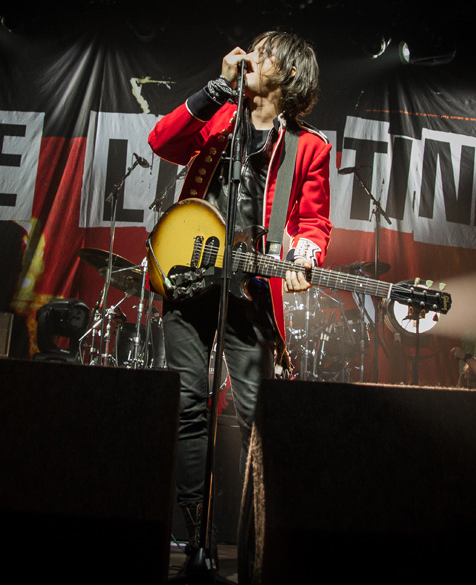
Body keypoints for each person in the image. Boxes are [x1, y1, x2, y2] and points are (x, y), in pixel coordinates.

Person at [148, 31, 332, 551]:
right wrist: (215, 89)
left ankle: (256, 543)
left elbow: (313, 222)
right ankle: (190, 535)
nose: (252, 57)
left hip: (251, 290)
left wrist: (305, 257)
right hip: (189, 277)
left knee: (253, 416)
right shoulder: (220, 114)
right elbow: (162, 142)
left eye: (265, 53)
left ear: (289, 74)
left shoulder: (309, 146)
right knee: (189, 404)